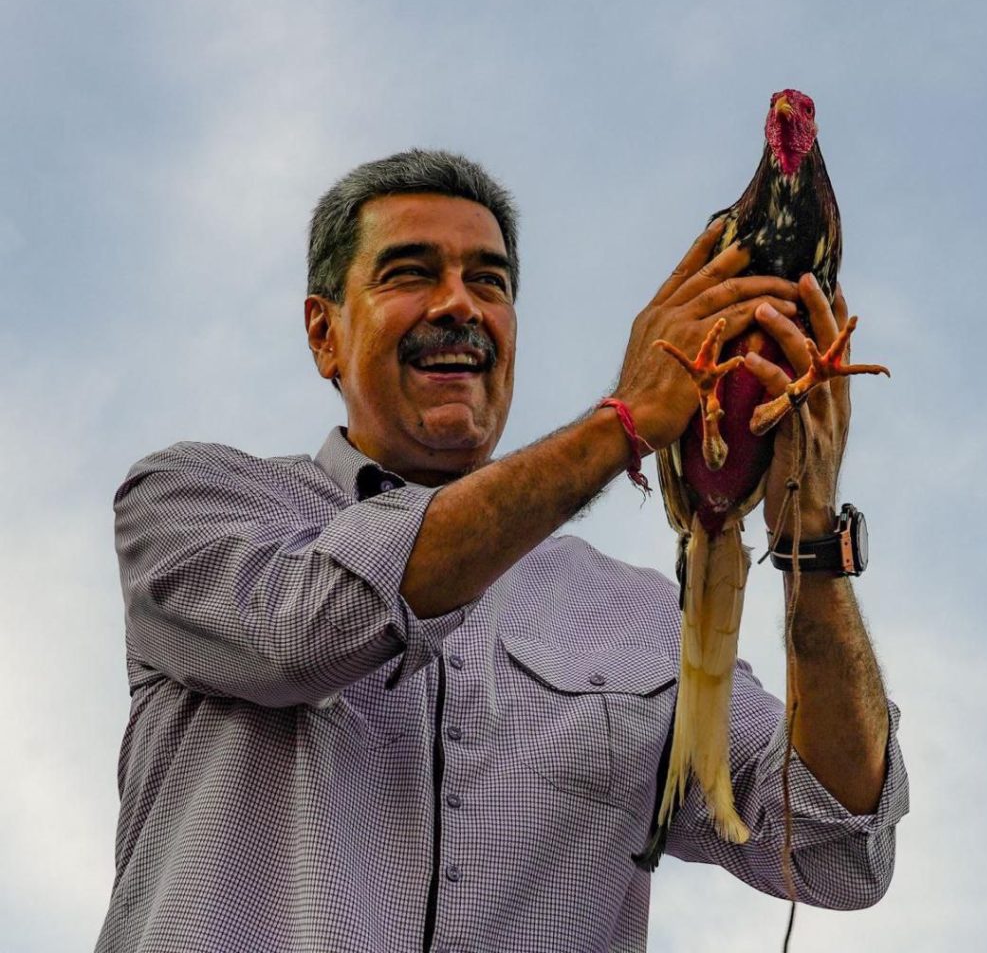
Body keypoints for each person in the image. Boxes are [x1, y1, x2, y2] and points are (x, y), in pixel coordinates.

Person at [95, 150, 908, 953]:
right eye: (410, 274)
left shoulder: (642, 617)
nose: (460, 305)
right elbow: (311, 629)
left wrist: (810, 540)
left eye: (489, 282)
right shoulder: (192, 504)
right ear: (323, 333)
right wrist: (623, 423)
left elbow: (837, 850)